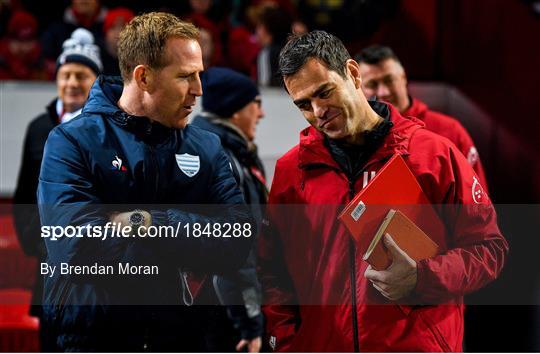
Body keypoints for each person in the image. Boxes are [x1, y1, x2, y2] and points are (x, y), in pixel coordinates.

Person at [258, 30, 508, 352]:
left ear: (352, 72)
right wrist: (289, 342)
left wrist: (422, 278)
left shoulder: (433, 155)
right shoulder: (292, 172)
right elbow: (272, 270)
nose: (318, 111)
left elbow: (489, 248)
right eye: (303, 104)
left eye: (324, 93)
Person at [37, 12, 253, 351]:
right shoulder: (71, 142)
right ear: (144, 77)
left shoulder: (207, 146)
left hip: (185, 340)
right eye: (186, 76)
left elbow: (238, 240)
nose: (198, 90)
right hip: (91, 340)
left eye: (199, 75)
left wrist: (149, 221)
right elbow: (76, 248)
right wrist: (192, 240)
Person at [12, 27, 101, 350]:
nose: (72, 83)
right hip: (50, 260)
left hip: (98, 265)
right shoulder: (39, 128)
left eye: (82, 75)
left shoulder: (107, 129)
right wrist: (40, 243)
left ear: (96, 82)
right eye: (66, 75)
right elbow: (24, 196)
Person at [191, 67, 266, 352]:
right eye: (256, 104)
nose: (261, 114)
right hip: (225, 317)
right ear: (235, 110)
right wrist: (250, 322)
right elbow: (235, 255)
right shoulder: (223, 161)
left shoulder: (235, 153)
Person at [356, 45, 488, 189]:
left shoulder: (450, 131)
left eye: (389, 80)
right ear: (359, 88)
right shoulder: (354, 139)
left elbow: (477, 200)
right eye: (372, 84)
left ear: (403, 77)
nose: (383, 92)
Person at [101, 7, 134, 76]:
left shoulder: (140, 62)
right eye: (112, 27)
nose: (118, 32)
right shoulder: (99, 60)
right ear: (105, 33)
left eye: (123, 26)